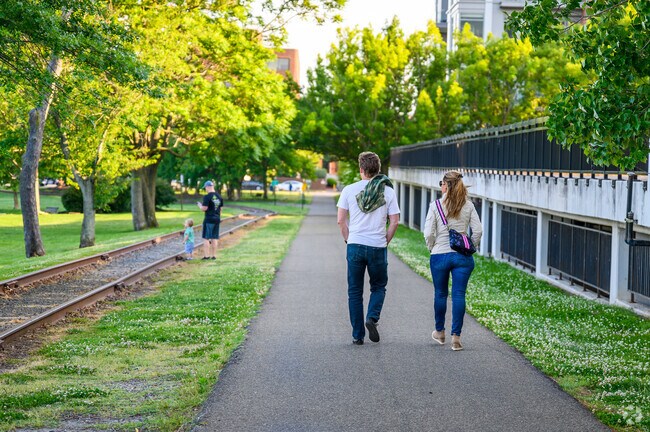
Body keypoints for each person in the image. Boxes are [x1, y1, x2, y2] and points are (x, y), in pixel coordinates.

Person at [337, 152, 400, 345]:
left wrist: (349, 240)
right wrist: (384, 241)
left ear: (361, 169)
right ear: (378, 169)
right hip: (377, 246)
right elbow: (395, 221)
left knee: (354, 291)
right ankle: (371, 318)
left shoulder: (349, 189)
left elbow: (340, 220)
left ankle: (358, 336)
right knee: (379, 286)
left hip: (355, 244)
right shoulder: (387, 191)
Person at [423, 170, 482, 351]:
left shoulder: (436, 205)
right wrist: (470, 246)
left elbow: (428, 233)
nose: (440, 185)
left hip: (439, 254)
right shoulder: (469, 205)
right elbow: (478, 231)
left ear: (446, 185)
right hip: (462, 256)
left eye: (442, 182)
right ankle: (456, 338)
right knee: (459, 295)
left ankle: (440, 333)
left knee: (440, 294)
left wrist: (432, 247)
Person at [197, 180, 223, 260]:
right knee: (214, 237)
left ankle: (206, 256)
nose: (205, 189)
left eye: (205, 188)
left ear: (208, 187)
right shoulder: (219, 196)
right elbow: (220, 209)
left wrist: (199, 205)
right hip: (217, 219)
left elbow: (204, 209)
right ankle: (214, 256)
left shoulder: (207, 197)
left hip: (209, 219)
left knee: (206, 238)